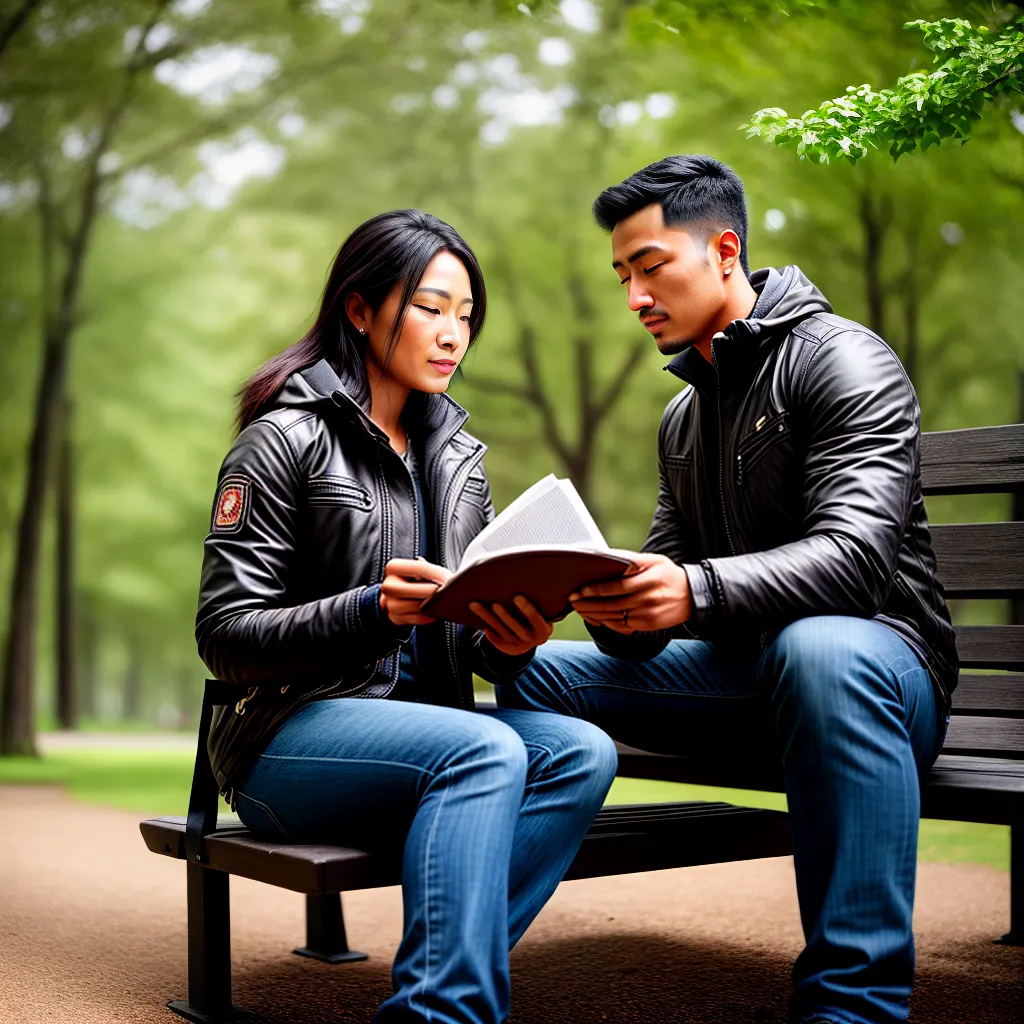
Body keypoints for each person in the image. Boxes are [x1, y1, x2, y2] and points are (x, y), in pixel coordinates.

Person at [495, 156, 957, 1024]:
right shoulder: (684, 417)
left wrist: (693, 593)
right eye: (623, 275)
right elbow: (666, 586)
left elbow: (856, 561)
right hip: (749, 677)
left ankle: (851, 1006)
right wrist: (613, 603)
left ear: (724, 250)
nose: (634, 295)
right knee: (532, 674)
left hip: (881, 671)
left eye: (651, 266)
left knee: (815, 646)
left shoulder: (843, 360)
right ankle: (457, 957)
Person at [195, 209, 618, 1024]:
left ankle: (443, 984)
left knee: (579, 752)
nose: (452, 334)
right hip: (290, 737)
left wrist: (514, 641)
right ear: (360, 310)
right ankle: (441, 1009)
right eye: (430, 308)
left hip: (434, 737)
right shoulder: (285, 440)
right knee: (486, 749)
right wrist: (369, 611)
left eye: (465, 316)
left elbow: (469, 634)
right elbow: (225, 636)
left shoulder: (458, 459)